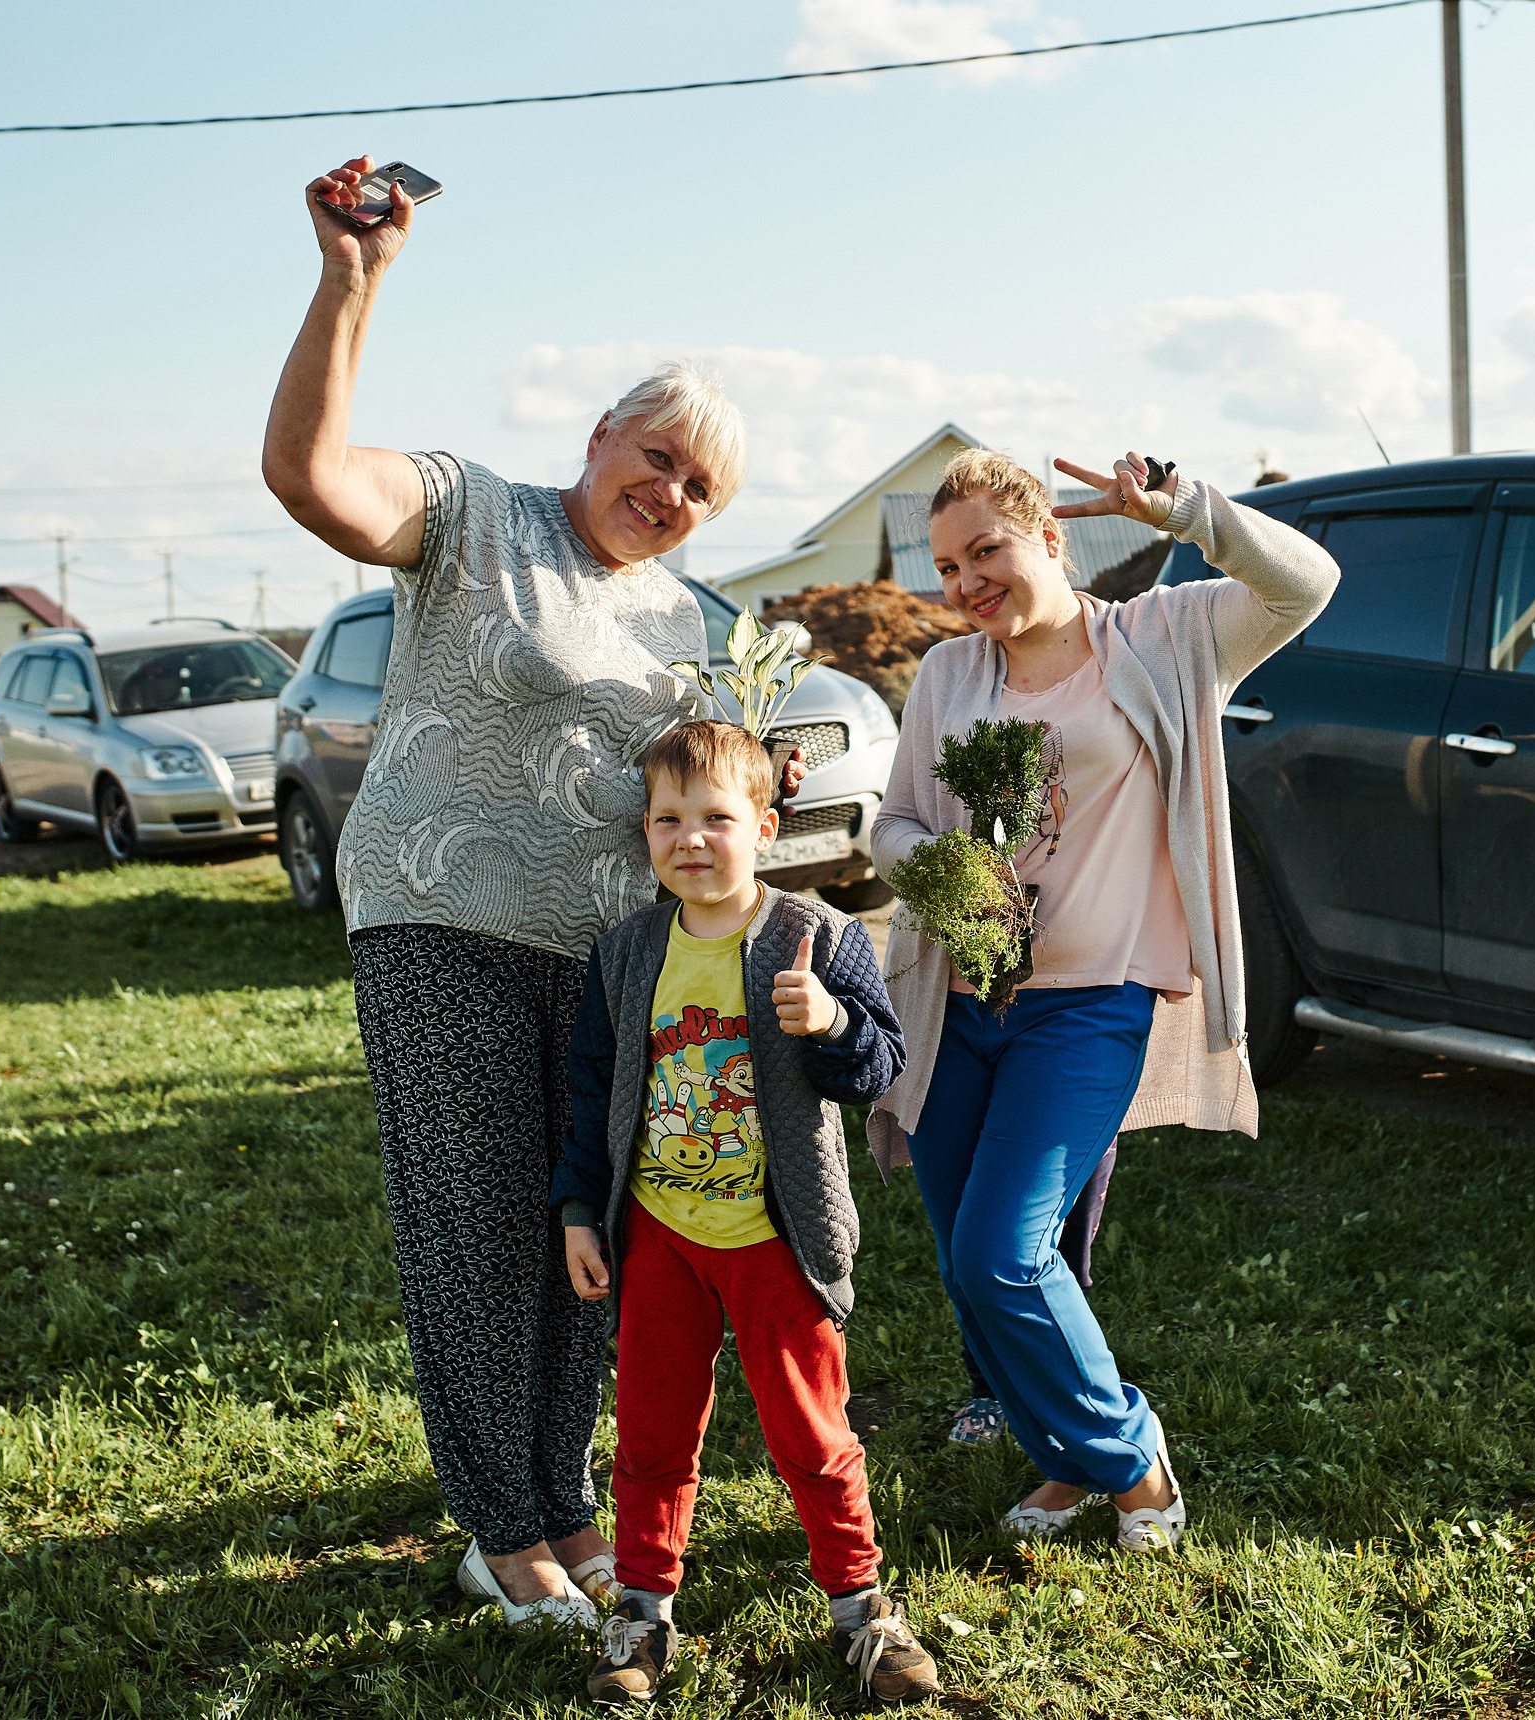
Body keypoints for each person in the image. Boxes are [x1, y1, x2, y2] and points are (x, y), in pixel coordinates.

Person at [261, 156, 784, 1630]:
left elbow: (691, 781)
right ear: (601, 430)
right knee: (476, 1223)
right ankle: (501, 1526)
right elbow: (310, 478)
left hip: (607, 956)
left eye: (701, 488)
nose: (670, 493)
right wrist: (351, 281)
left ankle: (561, 1497)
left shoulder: (683, 615)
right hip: (441, 921)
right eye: (658, 456)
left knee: (586, 1230)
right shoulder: (474, 512)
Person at [871, 449, 1338, 1552]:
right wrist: (941, 868)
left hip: (1090, 1004)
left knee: (1004, 1251)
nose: (967, 582)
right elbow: (891, 826)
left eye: (986, 550)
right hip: (960, 1002)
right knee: (966, 1266)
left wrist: (1190, 514)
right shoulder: (948, 674)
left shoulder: (1165, 636)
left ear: (1050, 537)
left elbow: (1305, 585)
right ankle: (1065, 1460)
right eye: (948, 567)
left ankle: (1132, 1461)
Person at [553, 720, 935, 1705]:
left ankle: (860, 1606)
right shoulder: (627, 954)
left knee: (811, 1432)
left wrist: (833, 1022)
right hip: (660, 1236)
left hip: (777, 1238)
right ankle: (642, 1610)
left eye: (716, 818)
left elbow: (880, 1067)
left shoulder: (817, 936)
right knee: (650, 1433)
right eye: (667, 819)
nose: (691, 838)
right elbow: (593, 1092)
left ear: (764, 827)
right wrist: (579, 1209)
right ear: (645, 831)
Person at [947, 1143, 1113, 1445]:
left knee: (1067, 1263)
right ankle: (989, 1390)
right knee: (977, 1257)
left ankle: (1067, 1398)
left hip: (1080, 1129)